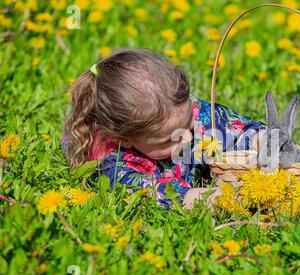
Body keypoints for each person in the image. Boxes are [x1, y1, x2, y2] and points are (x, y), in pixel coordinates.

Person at [61, 49, 266, 209]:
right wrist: (222, 198)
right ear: (124, 139)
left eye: (188, 125)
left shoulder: (184, 114)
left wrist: (264, 140)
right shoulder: (114, 166)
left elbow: (237, 130)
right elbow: (166, 196)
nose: (186, 139)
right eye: (170, 140)